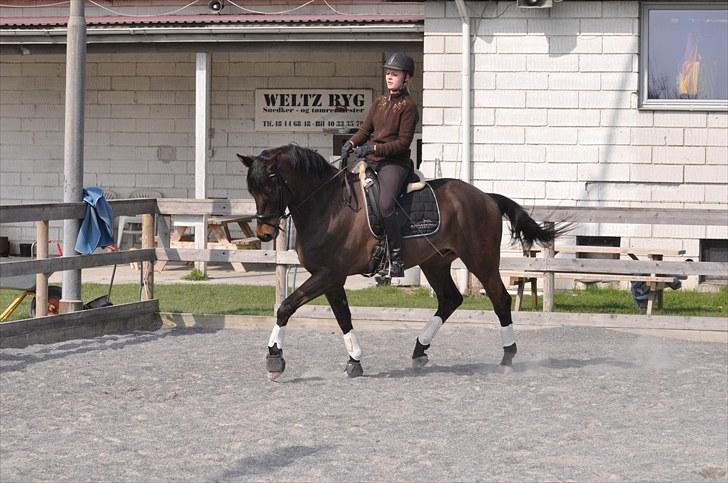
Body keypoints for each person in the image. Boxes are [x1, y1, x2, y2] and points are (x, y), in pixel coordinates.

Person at [341, 52, 420, 278]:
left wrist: (373, 149)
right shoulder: (379, 102)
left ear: (407, 78)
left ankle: (395, 257)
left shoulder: (409, 106)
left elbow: (403, 143)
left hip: (395, 164)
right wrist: (351, 143)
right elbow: (365, 131)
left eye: (394, 74)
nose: (389, 77)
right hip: (373, 161)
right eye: (387, 73)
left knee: (386, 205)